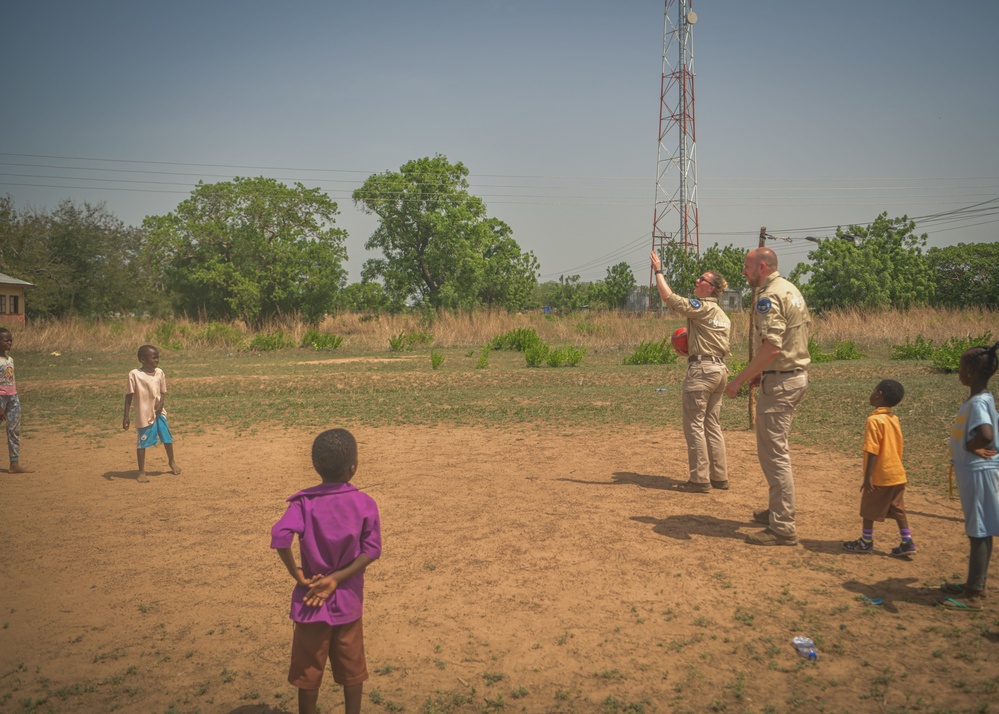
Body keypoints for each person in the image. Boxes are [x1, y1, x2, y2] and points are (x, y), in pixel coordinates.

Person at [271, 428, 382, 714]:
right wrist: (337, 578)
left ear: (316, 466)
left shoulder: (303, 502)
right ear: (353, 466)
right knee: (352, 670)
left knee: (309, 674)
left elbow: (280, 536)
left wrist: (296, 573)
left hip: (310, 601)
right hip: (347, 601)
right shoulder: (365, 504)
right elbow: (372, 550)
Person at [725, 247, 810, 546]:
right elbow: (786, 343)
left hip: (782, 383)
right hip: (791, 376)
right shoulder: (790, 289)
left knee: (774, 455)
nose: (743, 272)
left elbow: (772, 347)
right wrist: (765, 370)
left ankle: (782, 527)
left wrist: (738, 380)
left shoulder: (768, 296)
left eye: (747, 267)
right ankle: (778, 510)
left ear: (762, 267)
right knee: (775, 451)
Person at [650, 252, 732, 492]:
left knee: (695, 424)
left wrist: (658, 271)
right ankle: (720, 477)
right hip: (719, 370)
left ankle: (699, 480)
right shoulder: (723, 315)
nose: (697, 282)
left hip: (702, 371)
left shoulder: (704, 307)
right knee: (712, 425)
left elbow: (670, 298)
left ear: (712, 288)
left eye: (701, 280)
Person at [939, 343, 999, 612]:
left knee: (979, 530)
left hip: (978, 473)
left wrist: (972, 446)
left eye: (962, 368)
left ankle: (974, 593)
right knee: (980, 527)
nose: (959, 372)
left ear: (971, 371)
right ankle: (974, 584)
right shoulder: (981, 399)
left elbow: (986, 434)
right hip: (974, 472)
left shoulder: (978, 403)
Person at [842, 379, 917, 556]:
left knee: (868, 508)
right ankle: (907, 542)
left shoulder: (874, 420)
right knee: (898, 509)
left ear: (879, 395)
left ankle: (866, 542)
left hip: (881, 475)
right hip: (897, 473)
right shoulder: (893, 418)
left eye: (874, 389)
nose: (872, 393)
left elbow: (872, 449)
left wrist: (868, 477)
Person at [122, 344, 180, 483]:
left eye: (158, 358)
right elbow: (128, 396)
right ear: (142, 359)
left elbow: (162, 391)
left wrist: (161, 403)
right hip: (144, 415)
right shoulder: (134, 375)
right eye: (153, 358)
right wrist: (126, 416)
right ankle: (141, 471)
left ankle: (172, 461)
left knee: (167, 437)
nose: (156, 360)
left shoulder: (160, 372)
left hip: (159, 413)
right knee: (142, 443)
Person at [0, 327, 32, 474]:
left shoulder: (10, 359)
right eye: (6, 340)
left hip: (13, 398)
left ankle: (14, 463)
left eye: (11, 340)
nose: (10, 343)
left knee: (14, 430)